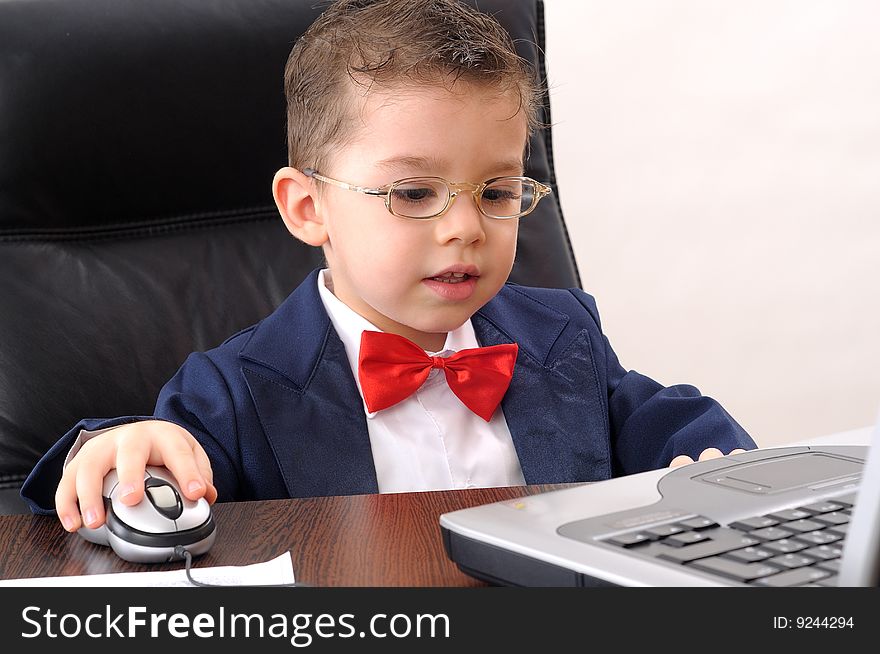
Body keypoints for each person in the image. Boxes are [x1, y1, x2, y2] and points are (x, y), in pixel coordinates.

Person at [21, 0, 756, 534]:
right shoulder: (234, 391)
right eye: (413, 192)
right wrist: (119, 451)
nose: (466, 225)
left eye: (497, 190)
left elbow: (671, 423)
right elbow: (148, 474)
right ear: (307, 208)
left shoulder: (563, 334)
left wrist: (712, 465)